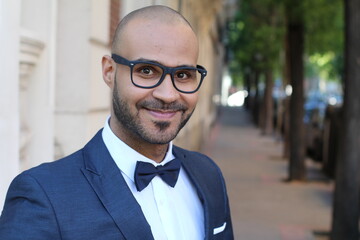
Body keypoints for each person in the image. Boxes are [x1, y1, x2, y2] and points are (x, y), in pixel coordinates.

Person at [0, 5, 233, 240]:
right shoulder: (42, 196)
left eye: (183, 75)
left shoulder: (209, 175)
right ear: (109, 71)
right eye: (146, 71)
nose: (168, 95)